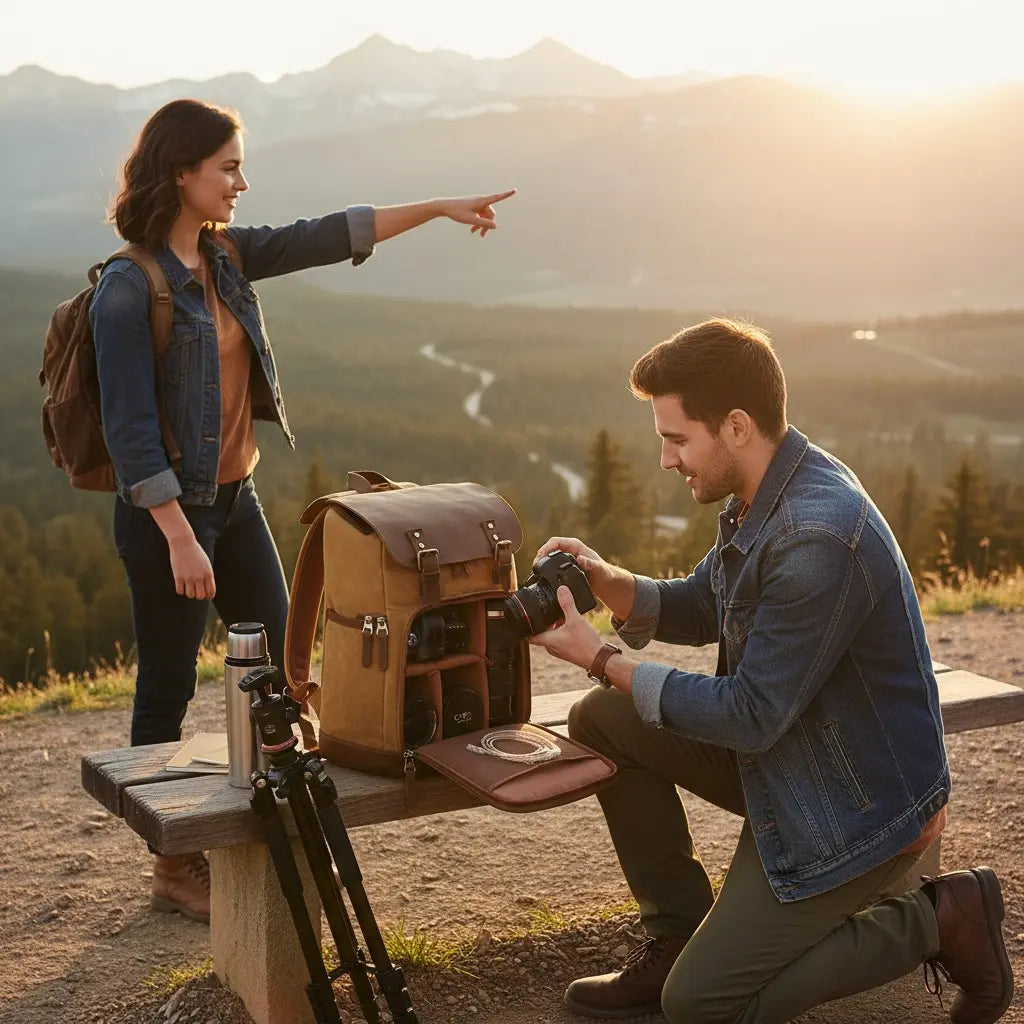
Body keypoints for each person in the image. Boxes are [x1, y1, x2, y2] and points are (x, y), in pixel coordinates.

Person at [90, 98, 515, 924]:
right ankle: (173, 868)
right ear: (182, 173)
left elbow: (329, 234)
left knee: (284, 669)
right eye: (228, 168)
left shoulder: (227, 257)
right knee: (167, 686)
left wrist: (436, 208)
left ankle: (284, 825)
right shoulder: (125, 288)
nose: (242, 183)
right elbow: (131, 434)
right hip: (168, 518)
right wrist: (179, 536)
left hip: (236, 501)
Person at [530, 318, 1013, 1024]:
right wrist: (609, 581)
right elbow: (706, 602)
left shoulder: (817, 532)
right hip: (794, 753)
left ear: (734, 426)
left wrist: (601, 656)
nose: (665, 459)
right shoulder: (767, 491)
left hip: (854, 801)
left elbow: (750, 714)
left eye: (675, 439)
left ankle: (941, 920)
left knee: (701, 1003)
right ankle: (678, 934)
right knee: (601, 717)